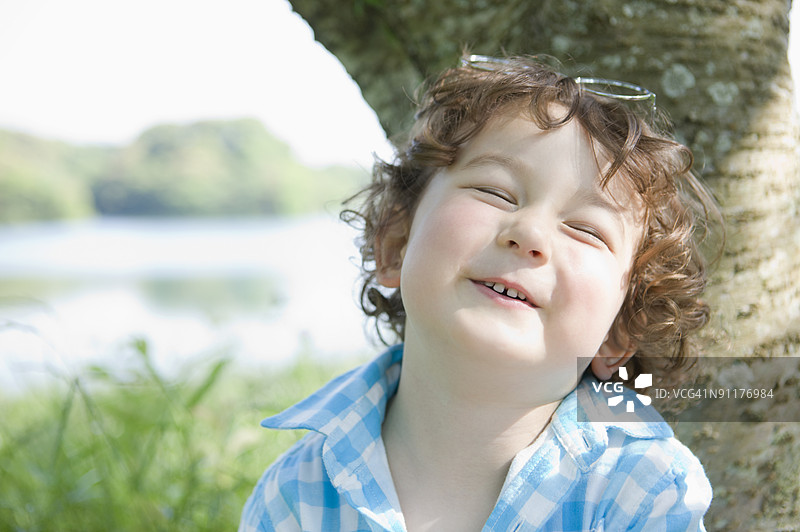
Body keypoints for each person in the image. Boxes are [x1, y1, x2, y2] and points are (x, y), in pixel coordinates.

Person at [239, 54, 719, 531]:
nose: (529, 233)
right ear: (394, 245)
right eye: (496, 192)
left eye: (585, 229)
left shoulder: (644, 490)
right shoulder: (296, 493)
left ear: (619, 330)